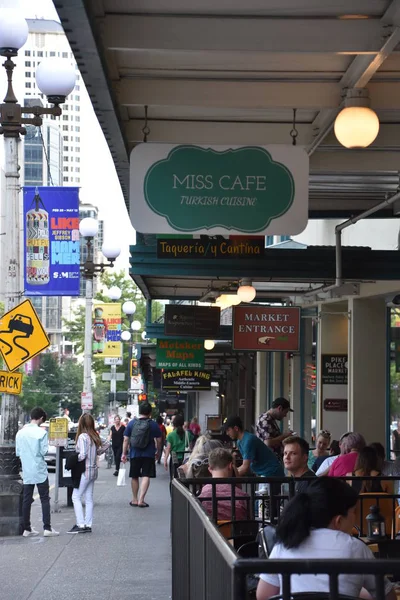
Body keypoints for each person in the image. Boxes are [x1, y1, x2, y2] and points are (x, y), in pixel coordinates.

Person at [256, 477, 395, 600]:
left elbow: (263, 594)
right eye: (354, 512)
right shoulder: (356, 548)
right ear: (338, 520)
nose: (356, 518)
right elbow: (387, 595)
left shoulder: (286, 543)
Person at [15, 407, 59, 538]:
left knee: (27, 500)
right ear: (40, 418)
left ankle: (27, 528)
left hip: (27, 470)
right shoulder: (41, 433)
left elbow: (18, 452)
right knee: (44, 499)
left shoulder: (20, 433)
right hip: (39, 470)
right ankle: (47, 528)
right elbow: (43, 451)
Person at [67, 414, 110, 534]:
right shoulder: (94, 435)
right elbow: (107, 443)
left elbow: (82, 455)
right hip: (93, 471)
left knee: (75, 497)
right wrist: (98, 452)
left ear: (81, 423)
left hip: (84, 471)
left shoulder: (82, 437)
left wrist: (74, 458)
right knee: (89, 498)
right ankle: (88, 524)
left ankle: (80, 524)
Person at [122, 402, 162, 507]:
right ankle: (141, 499)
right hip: (148, 454)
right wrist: (158, 452)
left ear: (140, 412)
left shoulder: (132, 423)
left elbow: (126, 439)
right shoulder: (153, 424)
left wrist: (124, 453)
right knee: (146, 475)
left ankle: (134, 499)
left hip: (134, 453)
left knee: (134, 476)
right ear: (150, 412)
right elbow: (159, 440)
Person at [198, 448, 250, 520]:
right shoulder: (242, 496)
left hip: (210, 530)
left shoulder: (202, 494)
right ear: (230, 466)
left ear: (210, 469)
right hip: (237, 530)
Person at [164, 414, 194, 480]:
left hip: (174, 460)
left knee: (174, 478)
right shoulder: (188, 434)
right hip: (186, 460)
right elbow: (191, 448)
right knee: (185, 478)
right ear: (182, 423)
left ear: (174, 423)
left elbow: (168, 448)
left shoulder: (170, 435)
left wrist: (165, 460)